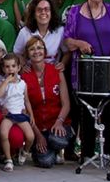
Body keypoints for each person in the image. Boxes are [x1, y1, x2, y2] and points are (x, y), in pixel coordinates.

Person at [63, 0, 110, 162]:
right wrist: (79, 43)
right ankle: (88, 153)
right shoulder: (74, 12)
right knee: (87, 110)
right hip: (85, 69)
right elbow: (67, 40)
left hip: (109, 68)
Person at [20, 36, 73, 168]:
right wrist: (38, 136)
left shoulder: (56, 70)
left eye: (39, 48)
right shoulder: (23, 76)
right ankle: (41, 151)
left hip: (56, 123)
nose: (36, 51)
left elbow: (66, 103)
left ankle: (55, 150)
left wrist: (59, 122)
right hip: (37, 127)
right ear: (27, 53)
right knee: (46, 162)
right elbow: (25, 110)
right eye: (32, 49)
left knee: (57, 140)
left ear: (45, 51)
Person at [0, 54, 35, 172]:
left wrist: (31, 114)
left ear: (18, 68)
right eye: (7, 67)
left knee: (30, 136)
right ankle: (8, 159)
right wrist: (7, 81)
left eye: (13, 66)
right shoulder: (3, 82)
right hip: (8, 115)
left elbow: (27, 101)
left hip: (20, 114)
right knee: (3, 133)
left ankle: (24, 151)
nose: (10, 69)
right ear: (3, 69)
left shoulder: (23, 84)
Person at [13, 0, 65, 69]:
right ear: (34, 14)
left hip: (53, 71)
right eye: (39, 10)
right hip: (31, 71)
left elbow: (67, 52)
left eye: (46, 9)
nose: (43, 12)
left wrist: (63, 63)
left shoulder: (60, 31)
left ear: (51, 13)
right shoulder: (25, 32)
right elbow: (17, 53)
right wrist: (24, 65)